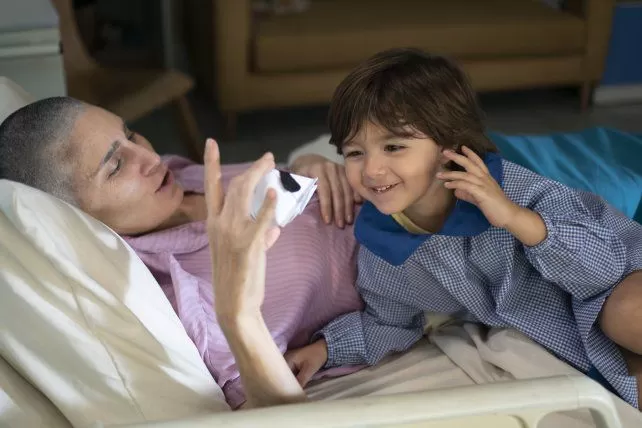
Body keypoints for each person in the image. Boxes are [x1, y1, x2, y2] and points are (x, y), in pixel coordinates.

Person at [284, 48, 642, 409]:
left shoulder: (509, 189)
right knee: (625, 390)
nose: (371, 170)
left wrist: (513, 218)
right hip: (576, 341)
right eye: (354, 153)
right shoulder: (383, 243)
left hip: (620, 277)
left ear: (448, 145)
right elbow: (388, 321)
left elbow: (604, 268)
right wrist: (325, 349)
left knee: (626, 313)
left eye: (393, 147)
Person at [0, 97, 364, 408]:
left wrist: (305, 165)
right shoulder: (186, 295)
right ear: (77, 218)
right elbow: (268, 409)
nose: (149, 157)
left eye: (130, 134)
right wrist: (240, 315)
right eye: (116, 165)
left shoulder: (174, 178)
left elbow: (284, 180)